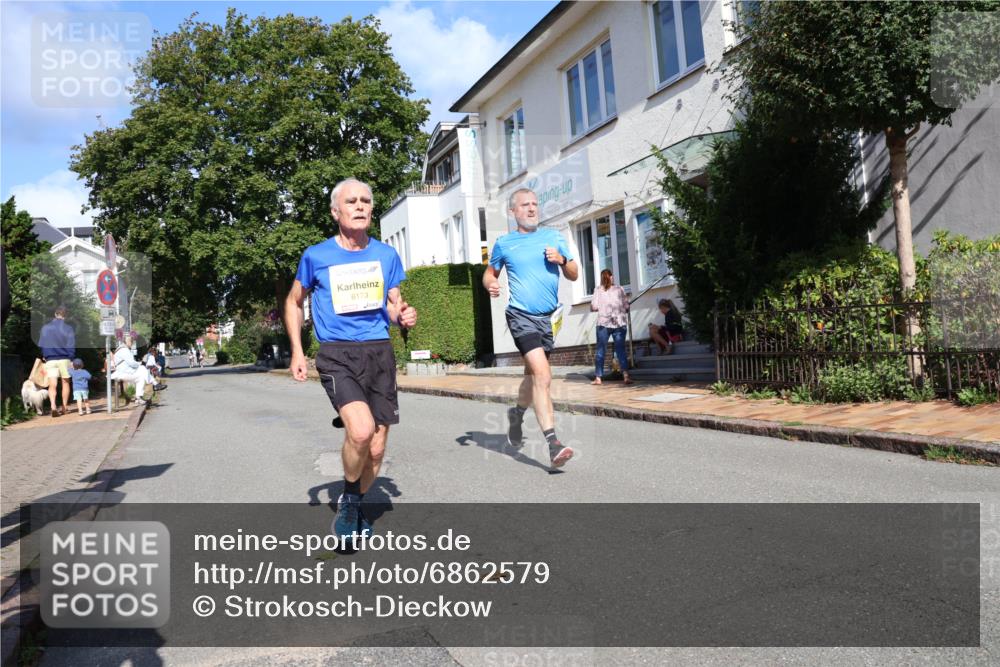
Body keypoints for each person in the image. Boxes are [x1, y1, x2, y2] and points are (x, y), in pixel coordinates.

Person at [286, 178, 417, 542]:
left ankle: (354, 500)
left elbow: (394, 306)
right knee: (360, 431)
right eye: (351, 201)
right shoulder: (316, 256)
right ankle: (348, 500)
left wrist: (403, 315)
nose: (360, 206)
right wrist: (298, 350)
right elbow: (294, 302)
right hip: (337, 353)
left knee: (376, 448)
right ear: (335, 211)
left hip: (379, 352)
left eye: (366, 201)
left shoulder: (386, 256)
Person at [483, 187, 579, 468]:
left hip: (549, 318)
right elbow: (490, 273)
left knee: (532, 377)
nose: (532, 208)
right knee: (542, 375)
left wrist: (562, 260)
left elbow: (574, 273)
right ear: (513, 211)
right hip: (520, 315)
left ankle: (517, 414)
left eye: (535, 204)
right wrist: (490, 283)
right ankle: (553, 443)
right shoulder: (504, 243)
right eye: (525, 205)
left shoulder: (553, 237)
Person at [590, 269, 631, 385]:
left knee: (601, 350)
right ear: (611, 277)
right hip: (619, 323)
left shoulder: (598, 290)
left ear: (602, 278)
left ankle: (598, 378)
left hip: (603, 323)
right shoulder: (620, 289)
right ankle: (626, 376)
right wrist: (625, 306)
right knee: (621, 350)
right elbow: (626, 306)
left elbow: (594, 307)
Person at [38, 305, 75, 417]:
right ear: (66, 315)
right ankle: (64, 407)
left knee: (52, 384)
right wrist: (71, 359)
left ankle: (53, 406)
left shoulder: (45, 328)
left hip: (50, 359)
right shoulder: (68, 328)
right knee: (65, 382)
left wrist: (44, 355)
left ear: (55, 314)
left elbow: (41, 344)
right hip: (64, 358)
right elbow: (71, 345)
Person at [109, 335, 163, 404]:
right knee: (142, 369)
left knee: (141, 378)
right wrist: (140, 363)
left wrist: (140, 364)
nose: (132, 343)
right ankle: (155, 384)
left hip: (124, 371)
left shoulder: (122, 349)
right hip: (122, 373)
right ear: (127, 342)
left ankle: (139, 398)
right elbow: (132, 363)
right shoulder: (124, 350)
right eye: (131, 341)